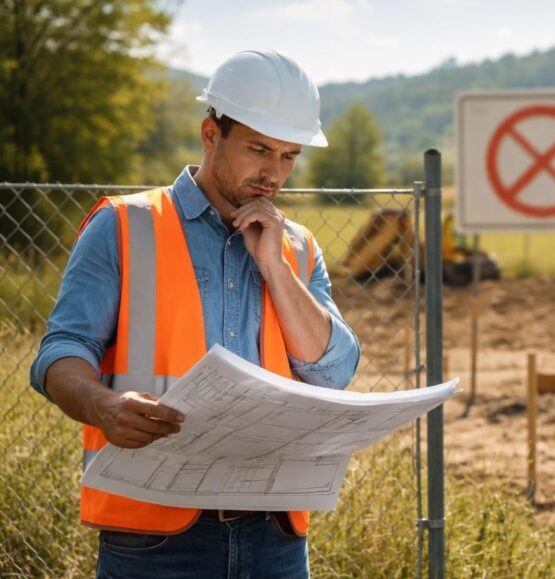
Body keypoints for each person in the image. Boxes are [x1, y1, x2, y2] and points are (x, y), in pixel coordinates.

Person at [29, 49, 360, 578]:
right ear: (211, 133)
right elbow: (59, 355)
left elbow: (335, 370)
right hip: (153, 539)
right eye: (258, 149)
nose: (273, 173)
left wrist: (275, 267)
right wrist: (104, 406)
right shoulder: (124, 225)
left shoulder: (297, 248)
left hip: (273, 536)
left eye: (289, 155)